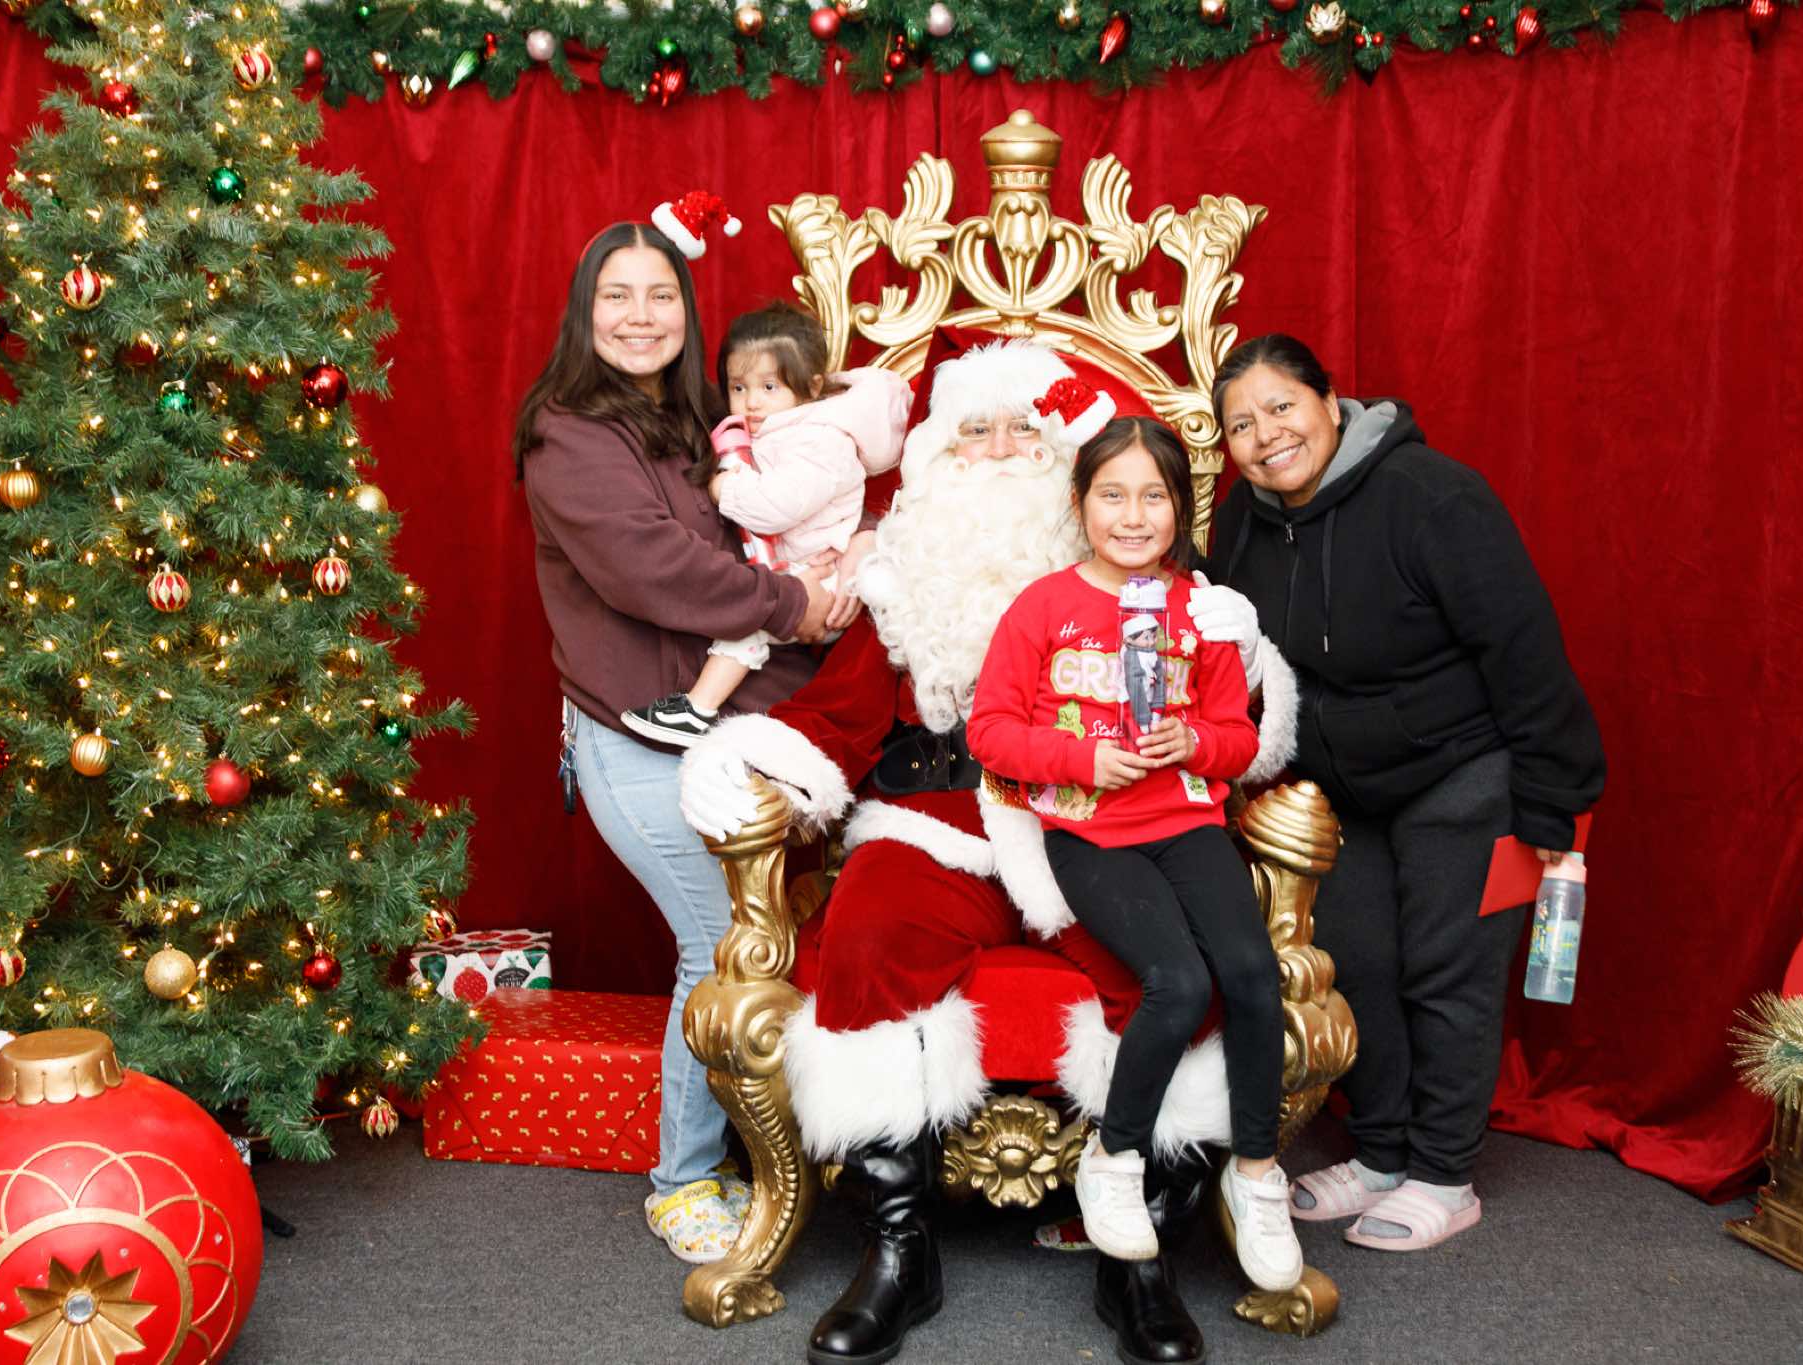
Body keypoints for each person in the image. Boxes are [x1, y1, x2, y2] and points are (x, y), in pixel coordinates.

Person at [678, 340, 1301, 1365]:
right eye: (975, 430)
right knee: (868, 930)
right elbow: (834, 718)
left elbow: (1229, 720)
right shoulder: (901, 583)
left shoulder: (1149, 585)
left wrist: (1246, 660)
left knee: (1178, 973)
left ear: (1069, 470)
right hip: (934, 830)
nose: (1000, 450)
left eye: (1025, 430)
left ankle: (1138, 1249)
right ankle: (899, 1247)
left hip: (1098, 833)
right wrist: (754, 763)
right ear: (935, 454)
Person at [1195, 333, 1606, 1252]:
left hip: (1465, 771)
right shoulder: (1242, 519)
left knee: (1446, 969)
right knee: (1359, 966)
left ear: (1329, 400)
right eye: (1241, 425)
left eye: (1281, 407)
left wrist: (1555, 797)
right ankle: (1380, 1152)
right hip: (1343, 785)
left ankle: (1445, 1173)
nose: (1266, 435)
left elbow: (1526, 651)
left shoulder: (1435, 497)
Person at [514, 216, 840, 1266]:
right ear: (585, 310)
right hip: (634, 735)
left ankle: (770, 1149)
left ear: (687, 312)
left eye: (660, 295)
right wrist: (795, 603)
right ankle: (683, 1181)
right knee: (722, 944)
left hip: (731, 728)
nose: (640, 316)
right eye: (617, 295)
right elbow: (650, 569)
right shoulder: (566, 430)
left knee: (769, 936)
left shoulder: (701, 414)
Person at [967, 414, 1303, 1293]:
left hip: (1186, 822)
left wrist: (1193, 741)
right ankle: (1113, 1160)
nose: (1133, 514)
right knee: (1178, 982)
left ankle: (1257, 1173)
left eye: (1154, 496)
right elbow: (991, 730)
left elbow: (1239, 739)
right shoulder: (1043, 607)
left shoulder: (1202, 609)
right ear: (1081, 504)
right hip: (1091, 834)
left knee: (1251, 973)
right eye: (1112, 494)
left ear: (1181, 508)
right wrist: (1083, 758)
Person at [623, 302, 909, 747]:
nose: (752, 402)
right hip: (800, 567)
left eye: (769, 386)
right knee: (749, 609)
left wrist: (722, 487)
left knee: (749, 621)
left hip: (825, 580)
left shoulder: (821, 440)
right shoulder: (780, 429)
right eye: (739, 387)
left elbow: (776, 507)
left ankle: (697, 709)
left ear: (812, 385)